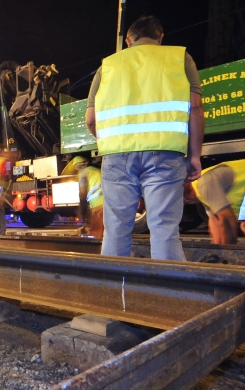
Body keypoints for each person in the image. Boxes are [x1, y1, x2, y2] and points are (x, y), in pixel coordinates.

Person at [85, 15, 204, 261]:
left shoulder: (106, 66)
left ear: (128, 41)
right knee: (163, 229)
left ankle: (113, 292)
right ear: (161, 37)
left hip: (117, 156)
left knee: (116, 229)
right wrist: (194, 155)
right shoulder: (180, 58)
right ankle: (168, 294)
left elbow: (90, 119)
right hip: (165, 152)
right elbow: (196, 107)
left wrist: (109, 143)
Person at [61, 155, 104, 238]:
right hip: (109, 204)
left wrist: (82, 210)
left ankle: (96, 250)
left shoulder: (83, 173)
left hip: (98, 206)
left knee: (96, 232)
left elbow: (83, 193)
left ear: (78, 167)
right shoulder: (97, 170)